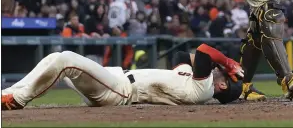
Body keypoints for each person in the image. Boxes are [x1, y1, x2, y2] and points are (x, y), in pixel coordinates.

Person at [1, 43, 243, 110]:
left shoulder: (204, 88)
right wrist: (224, 66)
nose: (218, 69)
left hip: (119, 91)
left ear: (222, 84)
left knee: (64, 60)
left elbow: (203, 51)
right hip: (116, 79)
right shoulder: (196, 80)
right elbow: (181, 55)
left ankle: (17, 100)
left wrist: (228, 63)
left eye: (222, 73)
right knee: (54, 59)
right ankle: (7, 95)